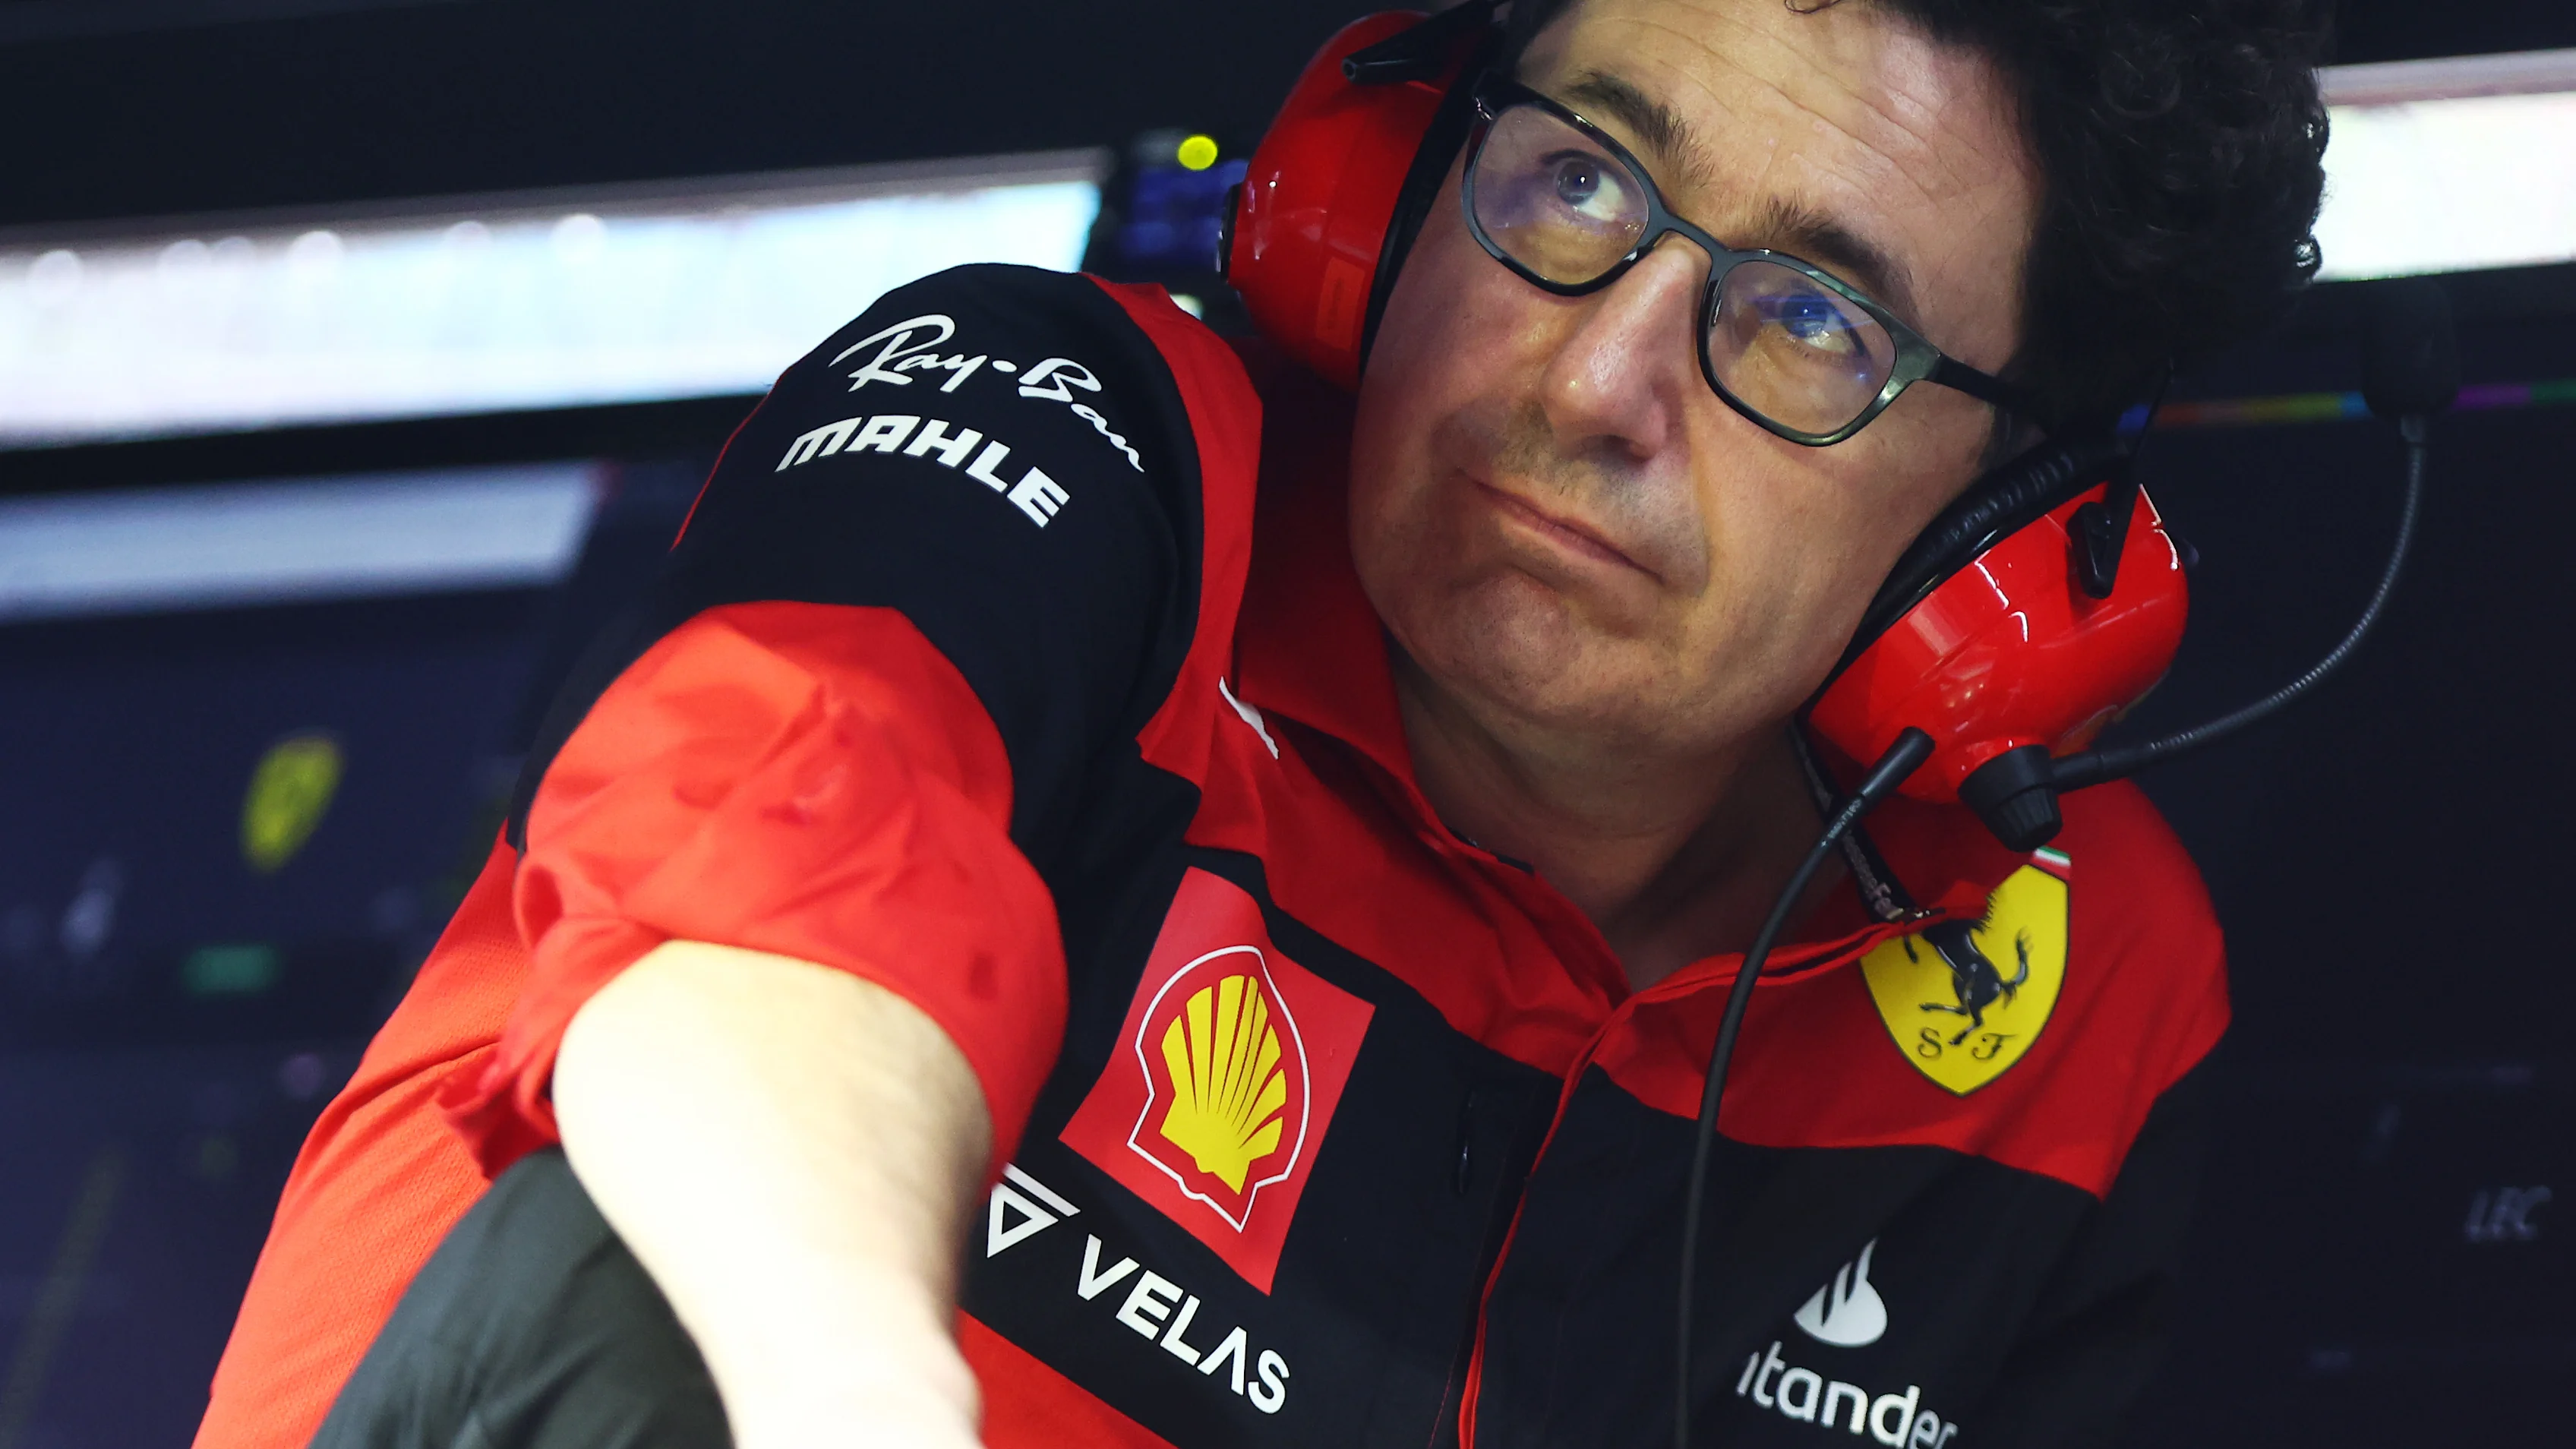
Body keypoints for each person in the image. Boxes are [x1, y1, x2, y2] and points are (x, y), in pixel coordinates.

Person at [197, 1, 2330, 1445]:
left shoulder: (2079, 1000)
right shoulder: (1081, 440)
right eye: (1580, 185)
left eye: (1804, 319)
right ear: (1375, 186)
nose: (1597, 386)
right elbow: (760, 952)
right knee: (640, 1275)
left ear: (2012, 534)